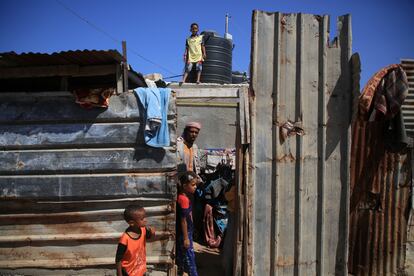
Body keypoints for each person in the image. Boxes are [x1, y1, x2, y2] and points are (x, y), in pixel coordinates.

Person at [115, 204, 155, 276]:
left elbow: (149, 237)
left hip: (140, 270)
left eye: (144, 217)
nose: (145, 220)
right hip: (128, 272)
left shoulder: (143, 229)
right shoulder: (125, 239)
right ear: (132, 223)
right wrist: (119, 274)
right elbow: (118, 259)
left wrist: (152, 233)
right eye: (142, 219)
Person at [176, 171, 199, 276]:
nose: (195, 187)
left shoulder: (186, 196)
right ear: (185, 186)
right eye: (193, 185)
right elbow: (183, 220)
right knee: (190, 258)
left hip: (187, 231)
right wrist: (186, 238)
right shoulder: (183, 199)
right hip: (184, 233)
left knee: (183, 256)